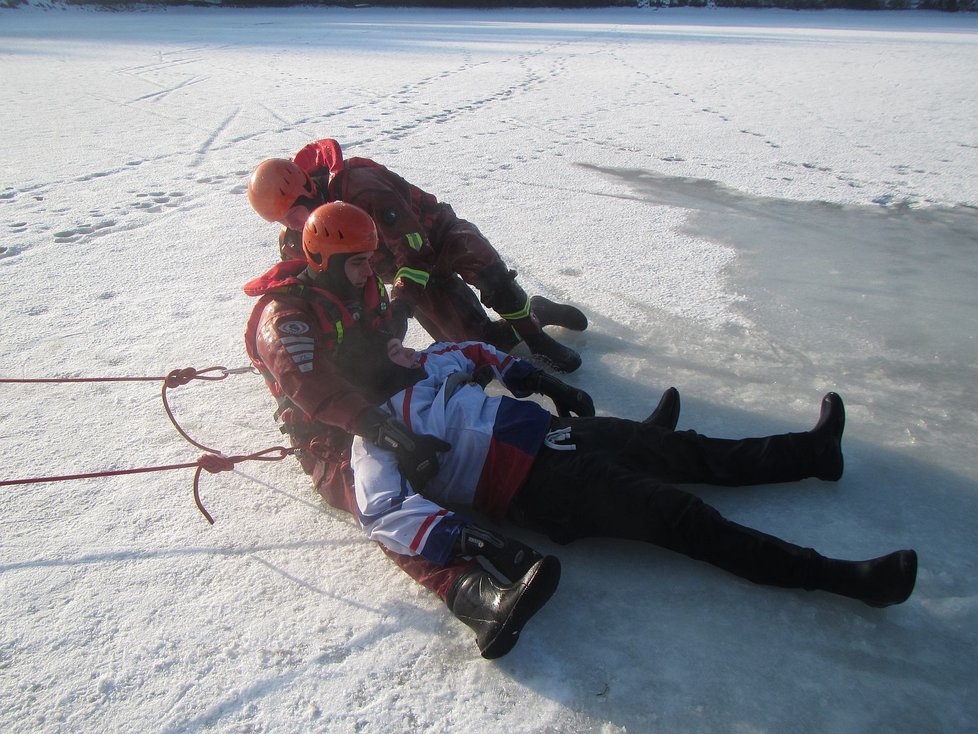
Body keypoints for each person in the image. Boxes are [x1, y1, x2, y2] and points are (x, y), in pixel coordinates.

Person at [248, 202, 918, 660]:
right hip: (540, 484)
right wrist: (471, 541)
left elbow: (473, 354)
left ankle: (810, 452)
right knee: (683, 516)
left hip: (553, 437)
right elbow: (385, 509)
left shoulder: (422, 365)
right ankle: (841, 577)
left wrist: (542, 381)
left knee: (683, 450)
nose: (388, 334)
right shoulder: (373, 432)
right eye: (364, 273)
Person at [244, 201, 600, 659]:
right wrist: (384, 431)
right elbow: (314, 388)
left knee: (467, 369)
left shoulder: (358, 282)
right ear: (322, 262)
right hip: (334, 431)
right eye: (356, 262)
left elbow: (373, 326)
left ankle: (603, 442)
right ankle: (475, 597)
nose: (367, 269)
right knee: (373, 502)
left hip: (381, 394)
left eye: (369, 259)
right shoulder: (284, 318)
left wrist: (391, 338)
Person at [246, 138, 587, 373]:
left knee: (488, 271)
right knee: (479, 344)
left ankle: (536, 336)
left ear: (307, 190)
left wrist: (402, 305)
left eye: (294, 214)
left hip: (438, 236)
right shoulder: (298, 239)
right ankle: (537, 310)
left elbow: (414, 247)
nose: (293, 225)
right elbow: (321, 285)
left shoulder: (360, 186)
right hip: (407, 273)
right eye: (283, 220)